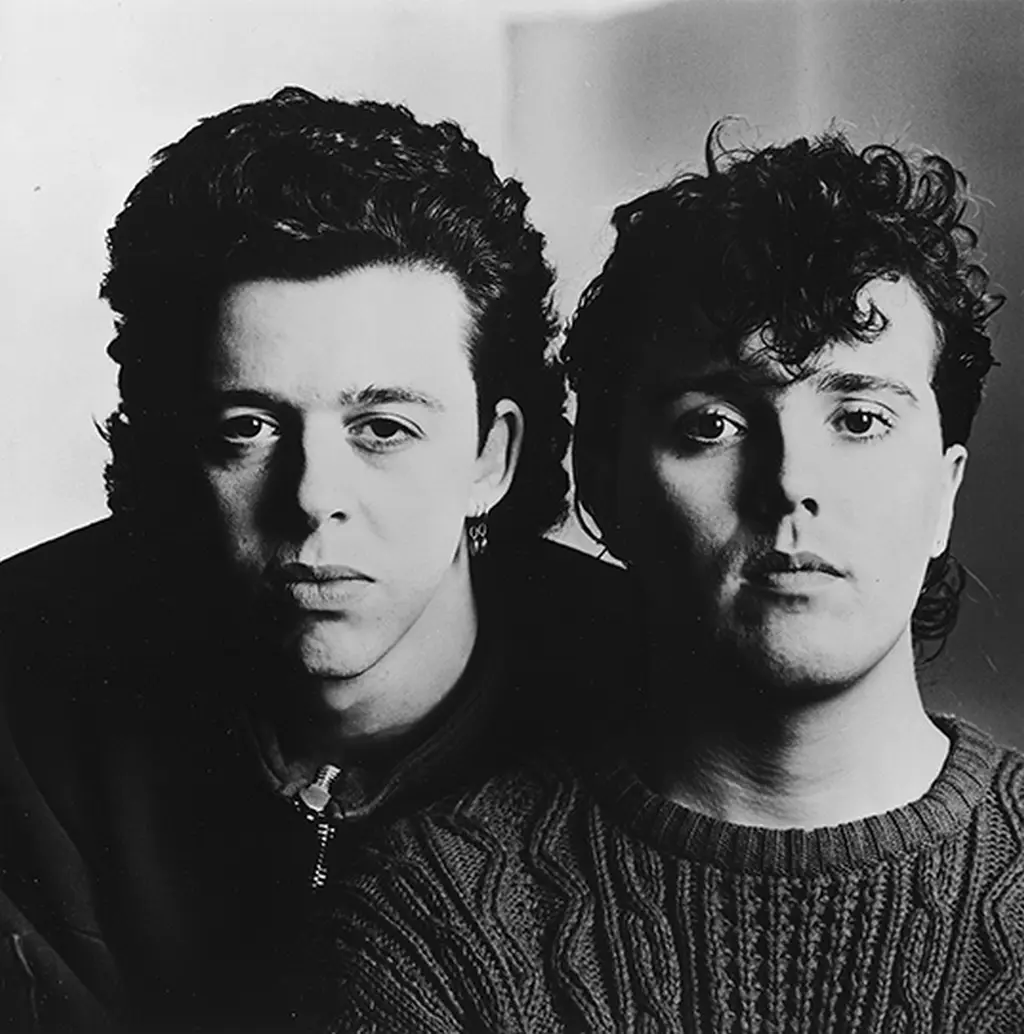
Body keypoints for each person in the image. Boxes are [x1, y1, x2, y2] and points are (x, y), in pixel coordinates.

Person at [308, 129, 1024, 1032]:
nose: (791, 482)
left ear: (945, 495)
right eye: (712, 424)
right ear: (604, 489)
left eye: (861, 419)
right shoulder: (433, 916)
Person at [0, 86, 629, 1032]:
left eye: (383, 428)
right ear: (177, 448)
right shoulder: (25, 674)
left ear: (490, 457)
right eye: (247, 427)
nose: (311, 497)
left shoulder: (651, 687)